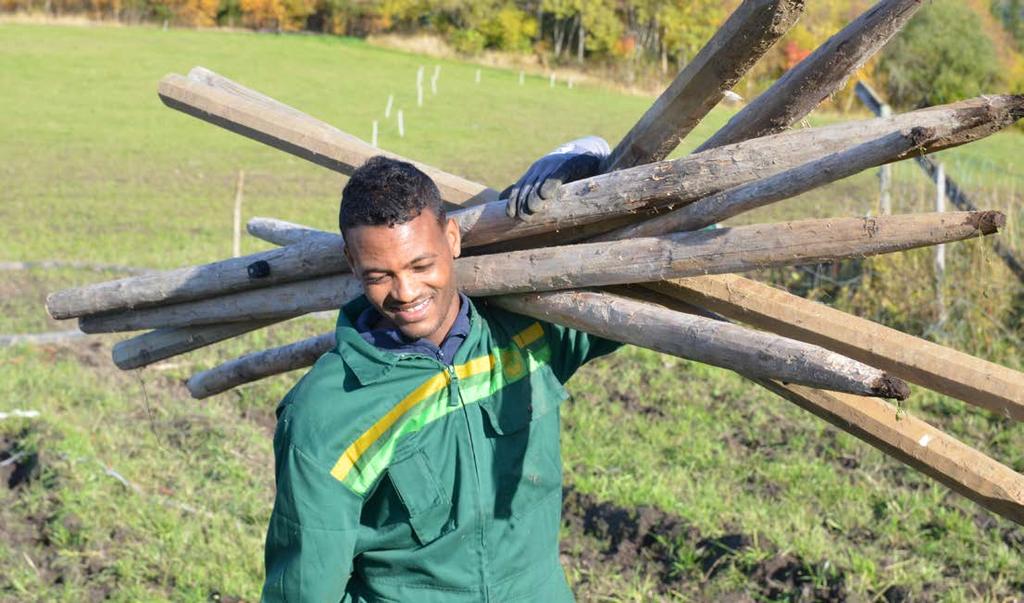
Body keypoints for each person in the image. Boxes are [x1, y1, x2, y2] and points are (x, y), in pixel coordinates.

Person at [261, 137, 620, 602]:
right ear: (352, 264)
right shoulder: (325, 414)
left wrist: (588, 164)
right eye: (379, 275)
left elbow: (675, 258)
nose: (406, 292)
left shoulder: (527, 333)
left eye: (420, 264)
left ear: (451, 239)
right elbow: (305, 590)